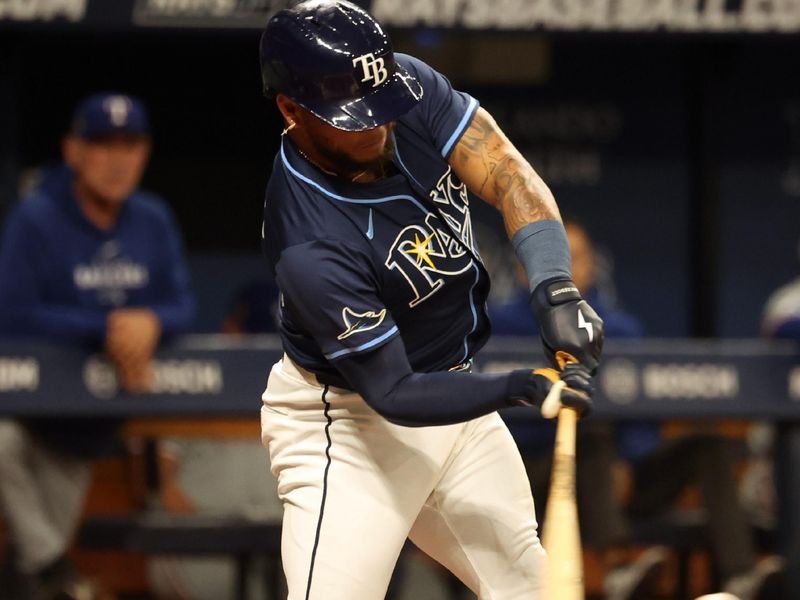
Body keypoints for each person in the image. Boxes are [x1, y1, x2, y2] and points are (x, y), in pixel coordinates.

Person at [257, 2, 603, 599]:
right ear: (290, 109)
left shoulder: (405, 86)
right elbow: (392, 392)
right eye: (352, 116)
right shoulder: (309, 238)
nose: (377, 124)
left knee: (530, 588)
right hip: (349, 425)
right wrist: (516, 386)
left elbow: (506, 173)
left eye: (380, 103)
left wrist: (555, 286)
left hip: (455, 393)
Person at [494, 221, 786, 600]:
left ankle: (741, 576)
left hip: (616, 477)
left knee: (708, 446)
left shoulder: (619, 327)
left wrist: (628, 465)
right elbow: (501, 421)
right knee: (592, 437)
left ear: (592, 266)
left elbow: (642, 418)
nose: (563, 270)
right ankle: (617, 569)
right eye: (551, 259)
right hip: (539, 475)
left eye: (574, 258)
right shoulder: (499, 324)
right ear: (522, 268)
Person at [0, 92, 195, 599]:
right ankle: (53, 571)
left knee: (29, 565)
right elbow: (12, 312)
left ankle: (47, 570)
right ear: (73, 151)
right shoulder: (37, 217)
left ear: (145, 153)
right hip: (31, 412)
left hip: (91, 426)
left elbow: (182, 304)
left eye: (129, 145)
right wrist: (108, 326)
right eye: (102, 144)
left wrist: (151, 320)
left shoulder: (153, 218)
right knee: (2, 447)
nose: (116, 159)